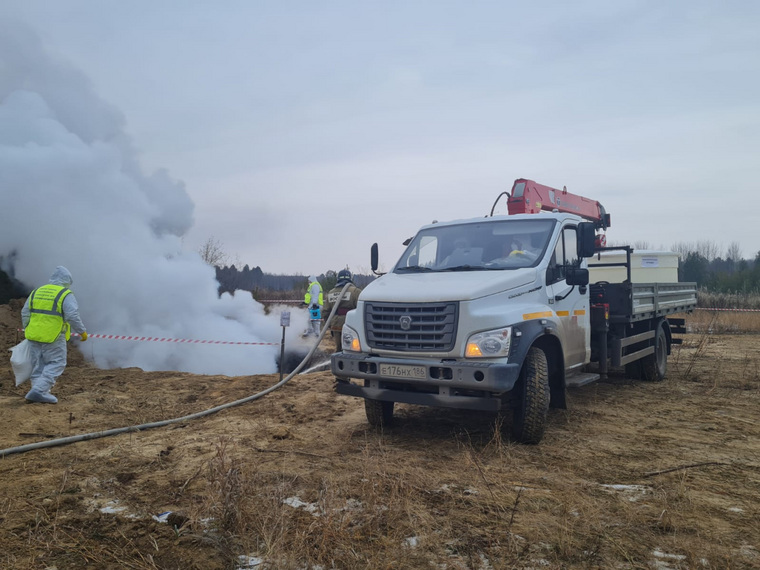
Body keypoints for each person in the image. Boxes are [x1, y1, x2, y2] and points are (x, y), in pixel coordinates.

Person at [20, 266, 88, 404]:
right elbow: (72, 315)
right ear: (67, 281)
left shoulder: (37, 291)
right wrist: (82, 331)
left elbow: (25, 312)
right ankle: (39, 391)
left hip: (33, 334)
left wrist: (28, 327)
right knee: (56, 363)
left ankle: (38, 392)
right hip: (54, 336)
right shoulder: (65, 294)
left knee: (38, 364)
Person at [322, 270, 362, 351]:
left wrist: (330, 324)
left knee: (339, 348)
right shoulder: (355, 291)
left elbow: (325, 312)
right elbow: (361, 309)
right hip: (351, 324)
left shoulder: (331, 292)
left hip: (336, 325)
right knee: (354, 348)